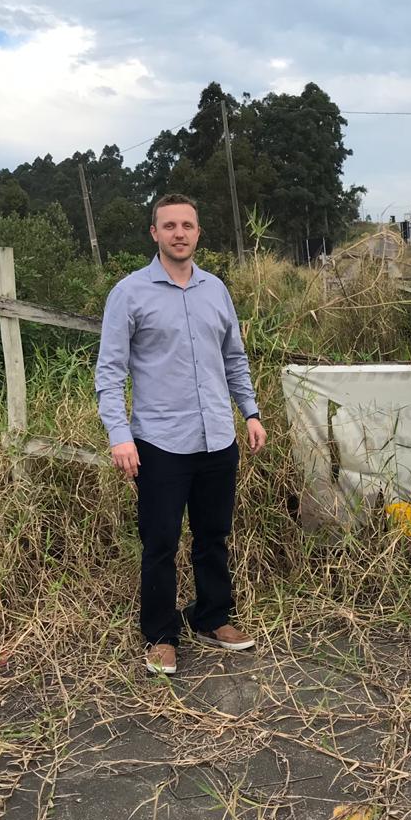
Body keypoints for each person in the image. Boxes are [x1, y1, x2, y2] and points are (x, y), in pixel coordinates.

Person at [96, 193, 267, 675]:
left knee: (214, 535)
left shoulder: (216, 290)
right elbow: (110, 371)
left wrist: (250, 413)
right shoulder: (129, 293)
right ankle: (161, 635)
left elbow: (234, 358)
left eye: (187, 225)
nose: (178, 233)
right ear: (154, 233)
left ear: (198, 233)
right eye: (168, 225)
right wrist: (119, 434)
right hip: (160, 442)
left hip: (217, 437)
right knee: (161, 542)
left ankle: (213, 617)